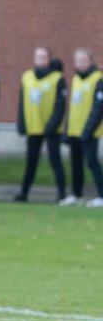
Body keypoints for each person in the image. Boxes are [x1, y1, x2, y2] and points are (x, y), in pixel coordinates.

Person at [13, 46, 66, 203]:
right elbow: (22, 101)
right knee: (31, 162)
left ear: (49, 59)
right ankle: (24, 193)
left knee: (55, 161)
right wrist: (21, 122)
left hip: (51, 128)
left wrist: (52, 125)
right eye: (38, 56)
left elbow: (60, 105)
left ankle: (62, 194)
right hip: (33, 126)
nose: (41, 60)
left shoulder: (57, 78)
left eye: (44, 57)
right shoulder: (27, 77)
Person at [68, 47, 103, 207]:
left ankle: (101, 196)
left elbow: (98, 108)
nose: (81, 63)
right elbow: (73, 106)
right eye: (78, 61)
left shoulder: (98, 79)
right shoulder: (75, 79)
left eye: (84, 60)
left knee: (92, 162)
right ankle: (77, 194)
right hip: (75, 129)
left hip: (90, 131)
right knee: (75, 163)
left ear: (90, 61)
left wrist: (88, 129)